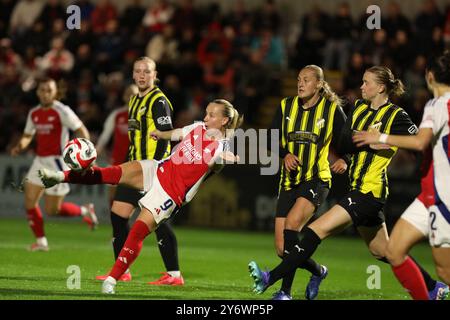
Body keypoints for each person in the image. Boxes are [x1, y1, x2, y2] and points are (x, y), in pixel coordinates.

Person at [248, 66, 447, 300]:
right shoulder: (360, 108)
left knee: (314, 231)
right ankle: (434, 288)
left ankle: (271, 278)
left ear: (380, 87)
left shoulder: (396, 116)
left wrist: (385, 140)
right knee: (384, 251)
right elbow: (344, 142)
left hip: (369, 192)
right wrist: (365, 144)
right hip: (357, 188)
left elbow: (420, 145)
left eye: (366, 82)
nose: (361, 86)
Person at [38, 98, 243, 294]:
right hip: (158, 169)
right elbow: (179, 133)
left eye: (211, 115)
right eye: (206, 113)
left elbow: (220, 159)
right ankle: (58, 176)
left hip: (169, 195)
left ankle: (112, 280)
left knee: (137, 231)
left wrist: (230, 158)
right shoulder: (198, 127)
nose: (205, 118)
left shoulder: (220, 147)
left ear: (224, 121)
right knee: (113, 173)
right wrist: (161, 135)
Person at [353, 51, 450, 299]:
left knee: (444, 270)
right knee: (394, 251)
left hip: (444, 195)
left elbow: (420, 142)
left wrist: (380, 137)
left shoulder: (437, 104)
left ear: (430, 76)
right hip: (429, 193)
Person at [95, 57, 184, 285]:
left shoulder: (158, 101)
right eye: (138, 71)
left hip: (154, 170)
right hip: (136, 168)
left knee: (158, 221)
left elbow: (166, 134)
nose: (142, 75)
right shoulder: (134, 101)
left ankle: (174, 275)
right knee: (117, 215)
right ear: (133, 75)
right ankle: (121, 271)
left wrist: (157, 166)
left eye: (147, 71)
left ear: (155, 75)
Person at [269, 65, 348, 300]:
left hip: (317, 179)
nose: (300, 84)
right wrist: (285, 154)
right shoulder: (286, 106)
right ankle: (318, 271)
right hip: (289, 182)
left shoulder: (331, 110)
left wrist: (345, 158)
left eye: (306, 80)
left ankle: (284, 292)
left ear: (319, 85)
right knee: (283, 250)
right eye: (298, 80)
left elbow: (348, 140)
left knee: (292, 224)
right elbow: (270, 138)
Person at [10, 77, 98, 252]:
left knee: (52, 210)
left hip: (57, 162)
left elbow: (81, 129)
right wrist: (20, 145)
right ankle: (41, 241)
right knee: (30, 201)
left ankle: (85, 211)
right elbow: (28, 134)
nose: (45, 93)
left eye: (49, 90)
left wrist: (87, 154)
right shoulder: (34, 112)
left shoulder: (62, 111)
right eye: (42, 90)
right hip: (39, 160)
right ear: (37, 92)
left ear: (55, 92)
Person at [96, 84, 137, 205]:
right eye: (129, 94)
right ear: (124, 97)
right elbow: (105, 136)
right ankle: (116, 221)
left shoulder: (143, 116)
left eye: (134, 94)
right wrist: (96, 151)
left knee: (135, 194)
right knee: (113, 193)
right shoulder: (117, 115)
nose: (131, 97)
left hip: (135, 160)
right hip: (117, 159)